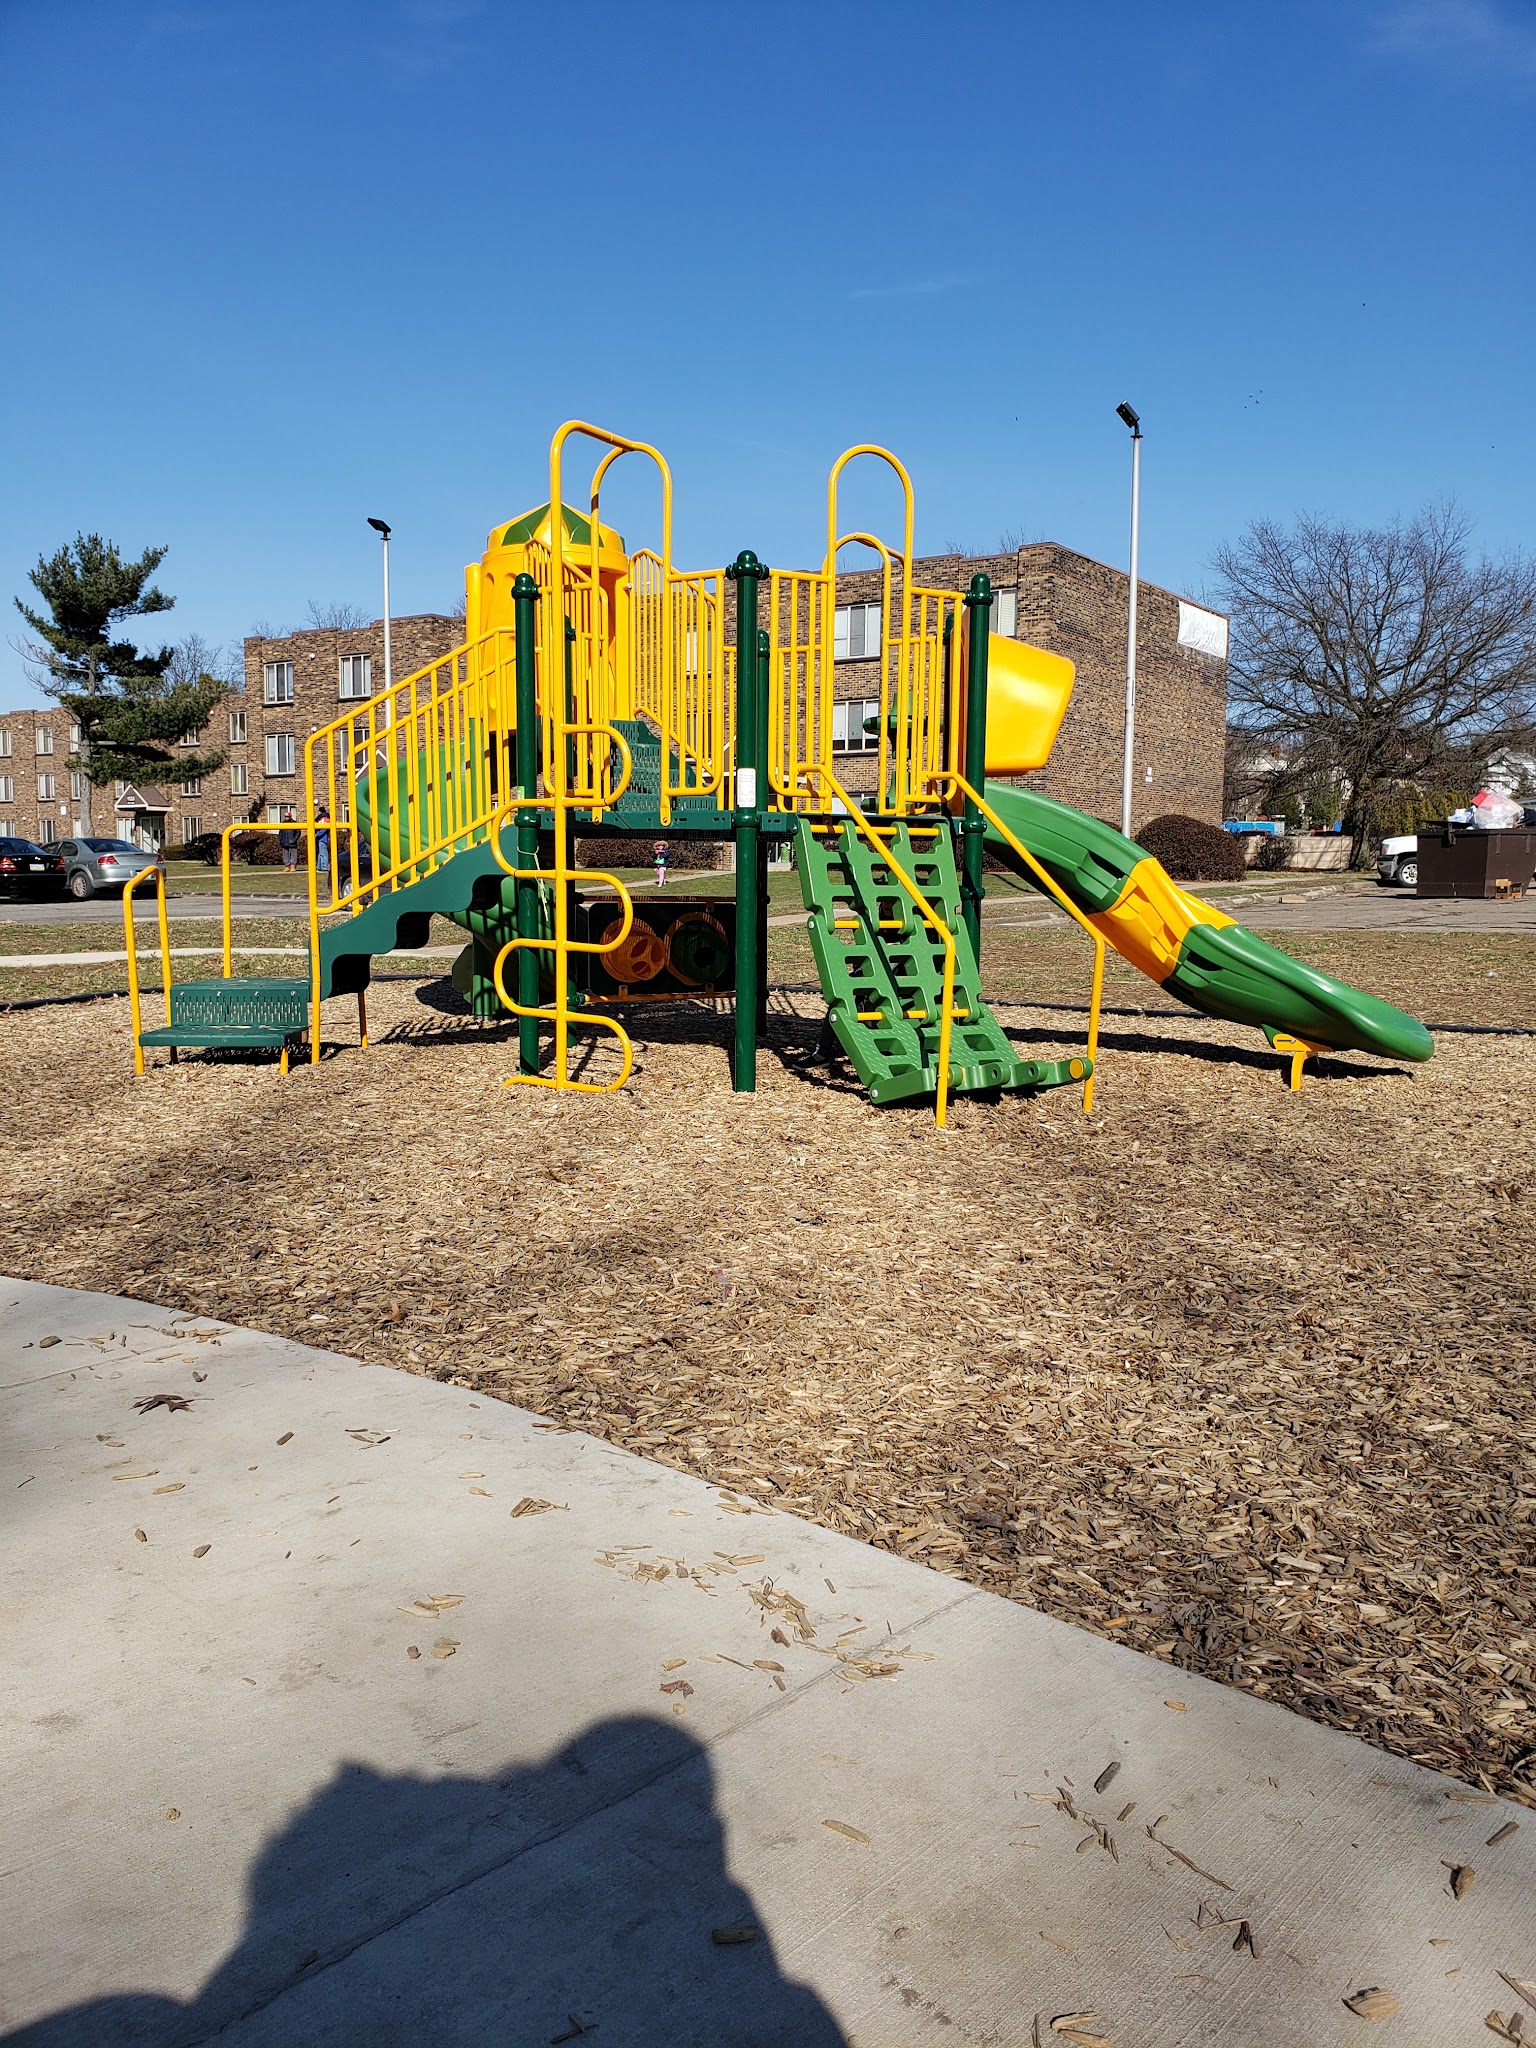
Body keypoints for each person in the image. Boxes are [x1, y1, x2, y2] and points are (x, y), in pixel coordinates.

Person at [315, 806, 331, 887]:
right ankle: (320, 866)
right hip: (321, 839)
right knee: (321, 853)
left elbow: (323, 829)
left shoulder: (325, 819)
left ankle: (324, 867)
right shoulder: (326, 818)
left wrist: (316, 835)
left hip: (322, 839)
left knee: (323, 853)